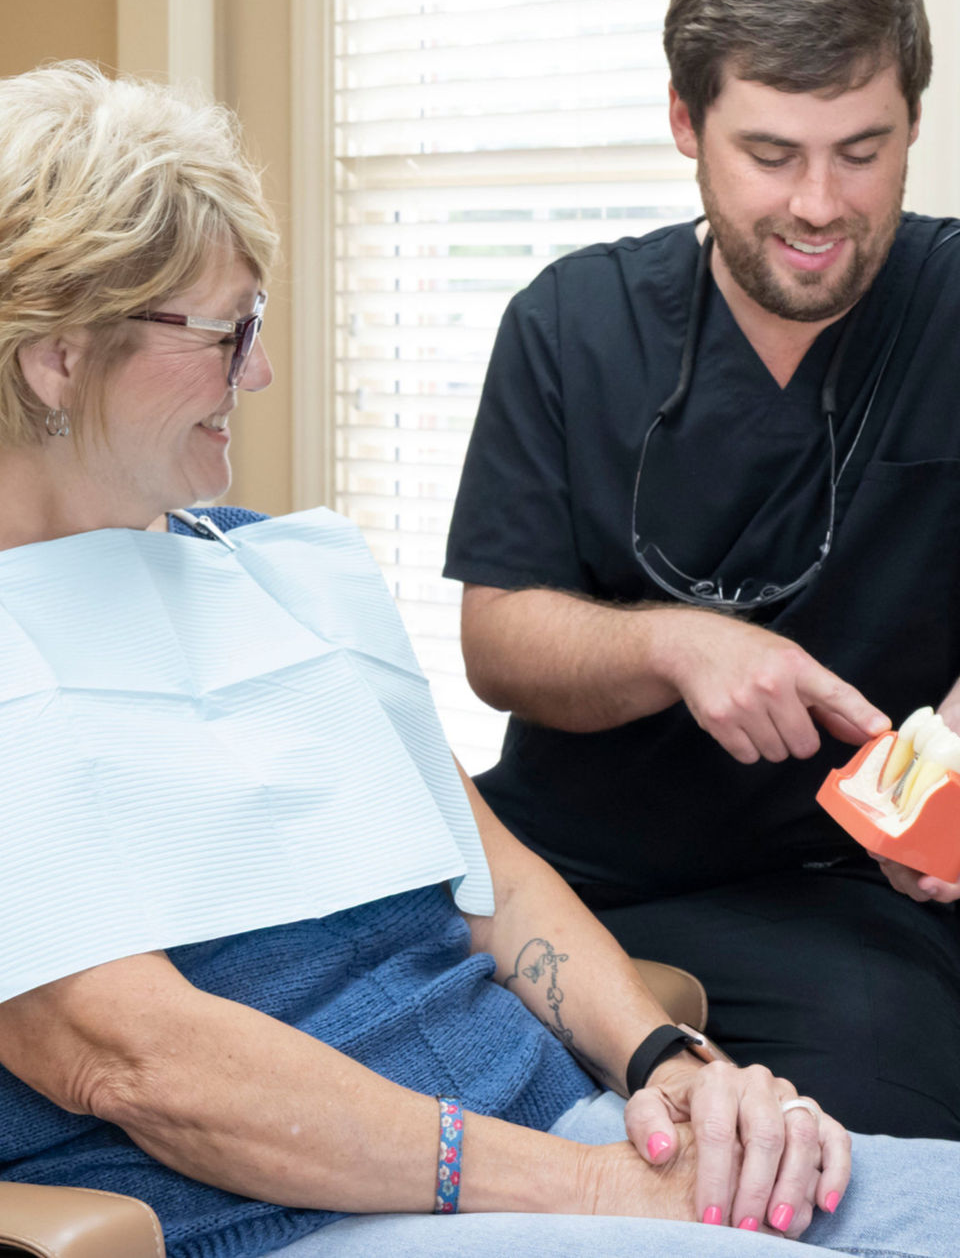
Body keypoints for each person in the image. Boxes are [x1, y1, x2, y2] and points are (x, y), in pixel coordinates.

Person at [0, 62, 956, 1258]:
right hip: (300, 1212)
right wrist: (600, 1187)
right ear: (58, 357)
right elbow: (143, 1060)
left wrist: (675, 1068)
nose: (260, 374)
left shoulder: (269, 575)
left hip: (553, 1138)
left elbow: (488, 875)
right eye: (223, 331)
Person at [444, 0, 960, 1141]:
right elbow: (497, 641)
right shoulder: (569, 325)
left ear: (912, 128)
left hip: (844, 893)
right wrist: (677, 646)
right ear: (687, 124)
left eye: (863, 150)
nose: (822, 204)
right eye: (772, 154)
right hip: (576, 880)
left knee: (882, 1079)